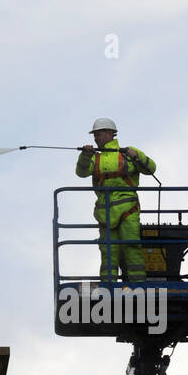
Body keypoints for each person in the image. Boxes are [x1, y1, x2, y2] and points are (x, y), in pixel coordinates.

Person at [75, 118, 156, 283]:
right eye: (95, 135)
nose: (96, 138)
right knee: (108, 252)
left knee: (131, 247)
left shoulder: (127, 153)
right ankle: (108, 287)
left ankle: (138, 286)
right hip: (104, 213)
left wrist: (137, 157)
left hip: (128, 210)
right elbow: (81, 172)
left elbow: (151, 168)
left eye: (98, 134)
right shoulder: (94, 158)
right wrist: (85, 155)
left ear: (109, 133)